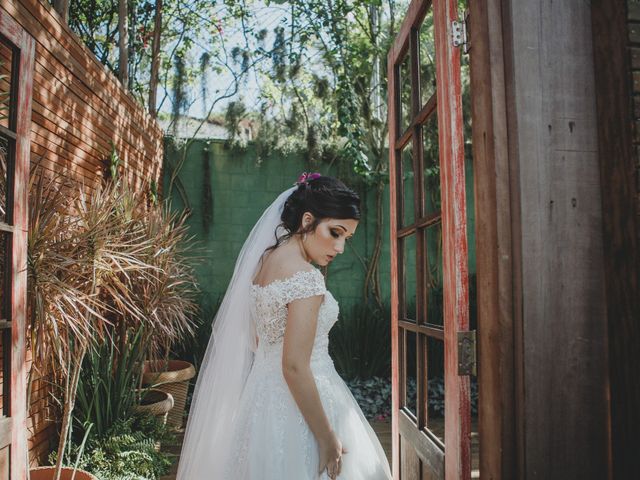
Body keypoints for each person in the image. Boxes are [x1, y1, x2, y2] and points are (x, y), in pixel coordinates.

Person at [176, 174, 392, 480]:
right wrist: (328, 437)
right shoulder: (306, 279)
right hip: (303, 403)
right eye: (335, 232)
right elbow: (293, 366)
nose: (340, 247)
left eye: (347, 237)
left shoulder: (265, 261)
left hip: (261, 398)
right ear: (307, 221)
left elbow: (255, 338)